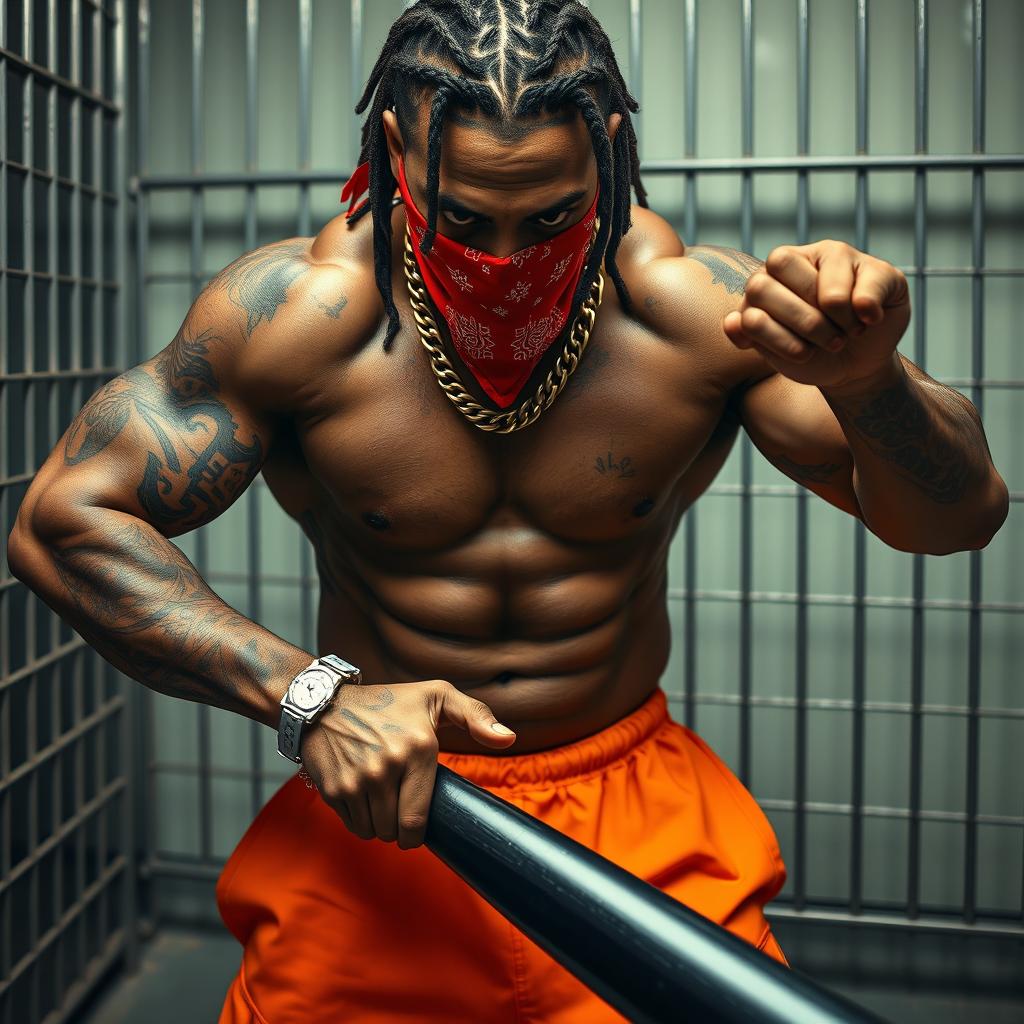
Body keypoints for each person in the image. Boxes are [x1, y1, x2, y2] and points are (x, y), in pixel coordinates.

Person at [7, 1, 1008, 1021]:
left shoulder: (701, 314)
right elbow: (62, 519)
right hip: (386, 816)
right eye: (463, 218)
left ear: (606, 148)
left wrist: (869, 380)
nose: (504, 258)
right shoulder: (301, 318)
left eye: (548, 218)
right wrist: (308, 695)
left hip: (632, 819)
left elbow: (957, 518)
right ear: (397, 149)